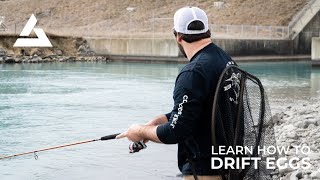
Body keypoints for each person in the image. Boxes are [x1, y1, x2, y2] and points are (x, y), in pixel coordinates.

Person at [116, 6, 234, 180]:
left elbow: (176, 131)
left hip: (205, 170)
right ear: (208, 32)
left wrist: (140, 131)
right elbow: (200, 108)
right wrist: (155, 124)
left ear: (178, 36)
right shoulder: (224, 59)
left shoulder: (192, 73)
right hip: (230, 162)